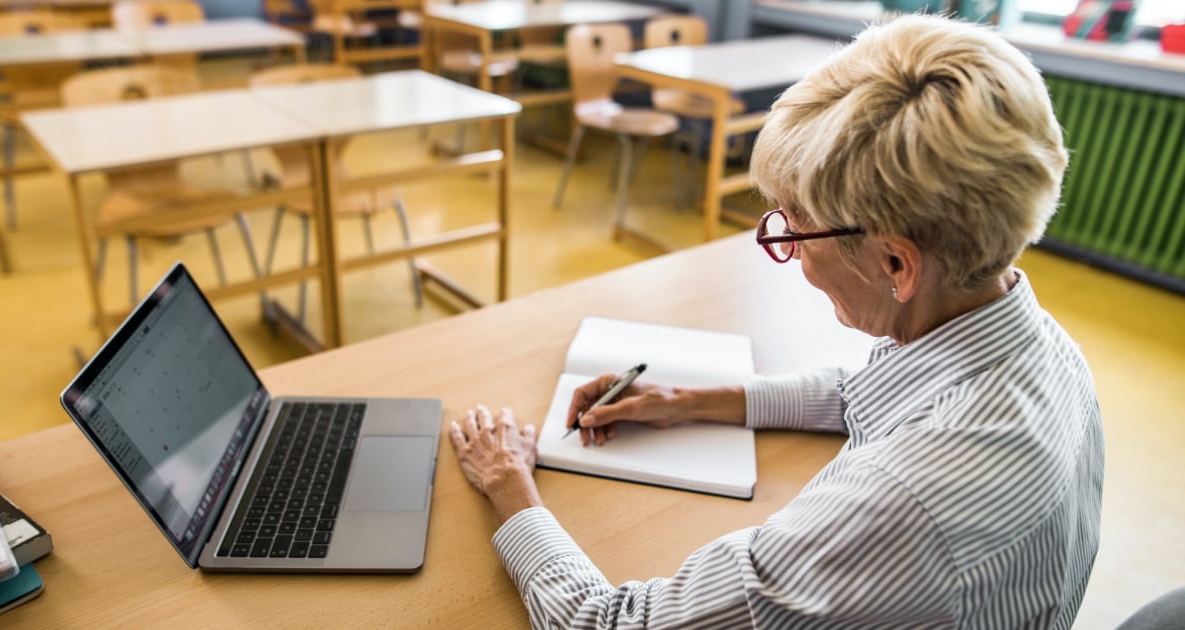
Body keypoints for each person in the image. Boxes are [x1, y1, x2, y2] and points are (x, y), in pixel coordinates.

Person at [449, 14, 1103, 629]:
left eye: (794, 225)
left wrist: (510, 483)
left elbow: (611, 622)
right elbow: (864, 393)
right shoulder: (1035, 344)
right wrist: (683, 401)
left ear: (897, 264)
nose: (785, 247)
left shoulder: (906, 504)